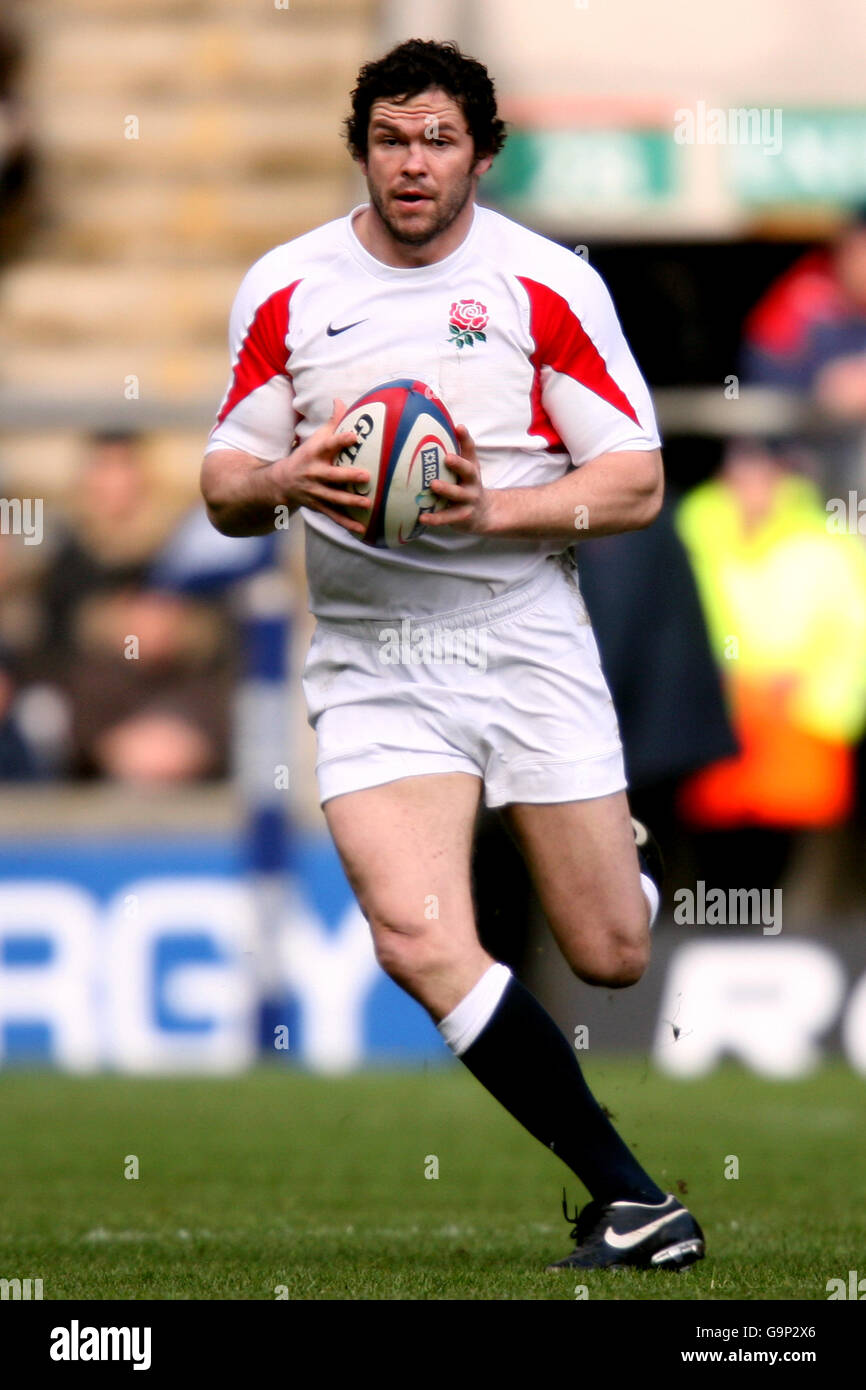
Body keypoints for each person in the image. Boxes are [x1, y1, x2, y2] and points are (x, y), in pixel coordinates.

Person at [201, 38, 704, 1272]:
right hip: (372, 653)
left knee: (609, 952)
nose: (411, 163)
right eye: (388, 138)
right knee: (418, 937)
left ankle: (609, 864)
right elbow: (222, 483)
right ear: (360, 147)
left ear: (482, 152)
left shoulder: (546, 285)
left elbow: (633, 481)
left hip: (522, 632)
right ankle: (629, 1196)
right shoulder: (286, 286)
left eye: (436, 140)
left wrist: (496, 511)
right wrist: (277, 478)